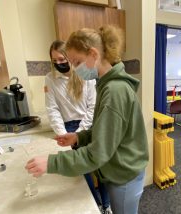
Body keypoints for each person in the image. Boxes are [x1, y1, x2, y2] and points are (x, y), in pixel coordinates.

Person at [26, 26, 149, 214]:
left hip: (124, 175)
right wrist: (79, 137)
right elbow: (105, 131)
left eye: (77, 62)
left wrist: (51, 163)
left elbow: (97, 153)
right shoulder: (106, 85)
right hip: (120, 168)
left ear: (93, 54)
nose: (74, 68)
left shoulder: (114, 92)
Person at [45, 40, 111, 213]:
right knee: (83, 171)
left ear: (69, 57)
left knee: (100, 166)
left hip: (89, 124)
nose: (59, 63)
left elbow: (92, 106)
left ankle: (107, 205)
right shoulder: (50, 79)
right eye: (55, 61)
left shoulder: (84, 74)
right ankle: (95, 205)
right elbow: (52, 109)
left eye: (62, 59)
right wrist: (63, 134)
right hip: (67, 128)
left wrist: (80, 133)